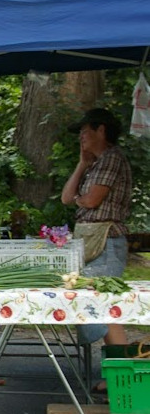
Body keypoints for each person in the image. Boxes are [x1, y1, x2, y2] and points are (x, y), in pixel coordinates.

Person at [61, 107, 132, 371]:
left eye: (84, 130)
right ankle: (117, 372)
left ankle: (121, 373)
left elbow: (89, 200)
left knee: (103, 303)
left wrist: (81, 200)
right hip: (93, 242)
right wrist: (82, 163)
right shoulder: (96, 163)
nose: (81, 136)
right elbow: (67, 198)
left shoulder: (112, 158)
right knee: (99, 302)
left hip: (108, 243)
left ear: (101, 130)